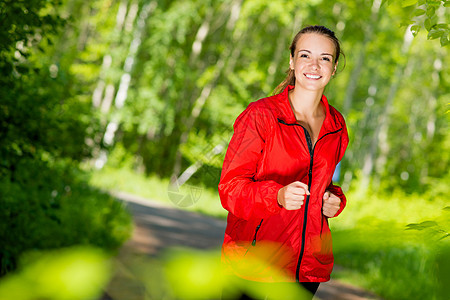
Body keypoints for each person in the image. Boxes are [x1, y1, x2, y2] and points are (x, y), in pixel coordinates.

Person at [218, 25, 349, 299]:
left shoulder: (337, 126)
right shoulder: (261, 116)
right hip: (253, 264)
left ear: (334, 67)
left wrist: (333, 199)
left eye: (324, 58)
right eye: (305, 55)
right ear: (291, 61)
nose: (314, 65)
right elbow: (230, 189)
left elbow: (324, 181)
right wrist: (276, 195)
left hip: (304, 268)